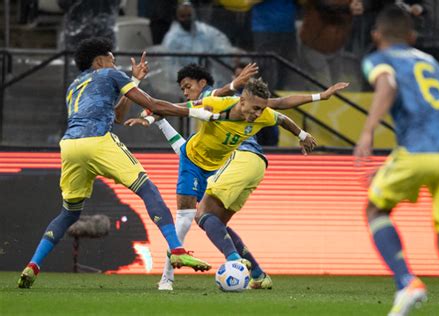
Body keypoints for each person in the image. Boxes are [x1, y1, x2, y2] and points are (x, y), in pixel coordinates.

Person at [17, 37, 218, 289]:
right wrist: (198, 112)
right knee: (147, 189)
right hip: (98, 141)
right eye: (112, 60)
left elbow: (118, 116)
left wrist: (134, 81)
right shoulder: (110, 74)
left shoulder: (75, 85)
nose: (115, 64)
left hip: (69, 146)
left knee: (69, 213)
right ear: (100, 60)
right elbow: (153, 105)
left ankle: (33, 266)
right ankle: (176, 249)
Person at [128, 64, 348, 290]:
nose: (258, 115)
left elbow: (282, 112)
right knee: (187, 218)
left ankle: (246, 266)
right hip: (192, 162)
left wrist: (303, 131)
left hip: (218, 166)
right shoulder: (216, 103)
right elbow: (178, 107)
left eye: (261, 110)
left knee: (212, 220)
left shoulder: (261, 113)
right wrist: (152, 118)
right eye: (254, 109)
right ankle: (168, 279)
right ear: (241, 101)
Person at [355, 6, 439, 315]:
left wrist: (367, 131)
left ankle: (406, 282)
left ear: (376, 35)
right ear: (412, 36)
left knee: (374, 208)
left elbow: (388, 85)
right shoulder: (431, 62)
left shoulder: (379, 59)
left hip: (419, 149)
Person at [162, 2, 236, 68]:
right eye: (183, 16)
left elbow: (220, 46)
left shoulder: (205, 30)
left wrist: (232, 57)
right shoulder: (171, 38)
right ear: (177, 17)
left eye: (189, 15)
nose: (187, 19)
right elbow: (169, 66)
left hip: (208, 75)